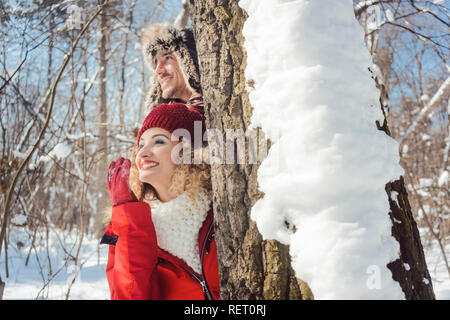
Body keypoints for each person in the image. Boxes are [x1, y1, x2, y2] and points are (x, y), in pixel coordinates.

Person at [100, 103, 220, 300]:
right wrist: (129, 220)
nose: (143, 153)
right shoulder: (126, 228)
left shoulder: (222, 212)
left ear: (188, 152)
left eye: (159, 142)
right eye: (141, 145)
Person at [141, 23, 204, 113]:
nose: (158, 71)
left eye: (167, 57)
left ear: (190, 63)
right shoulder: (163, 118)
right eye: (155, 64)